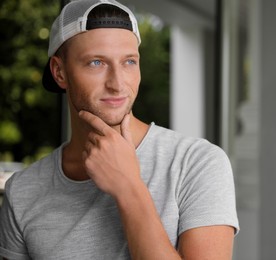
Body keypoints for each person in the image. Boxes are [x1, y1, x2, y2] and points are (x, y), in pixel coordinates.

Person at [0, 0, 239, 259]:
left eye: (128, 62)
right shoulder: (23, 191)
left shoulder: (197, 163)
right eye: (96, 63)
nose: (117, 83)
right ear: (59, 72)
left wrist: (128, 187)